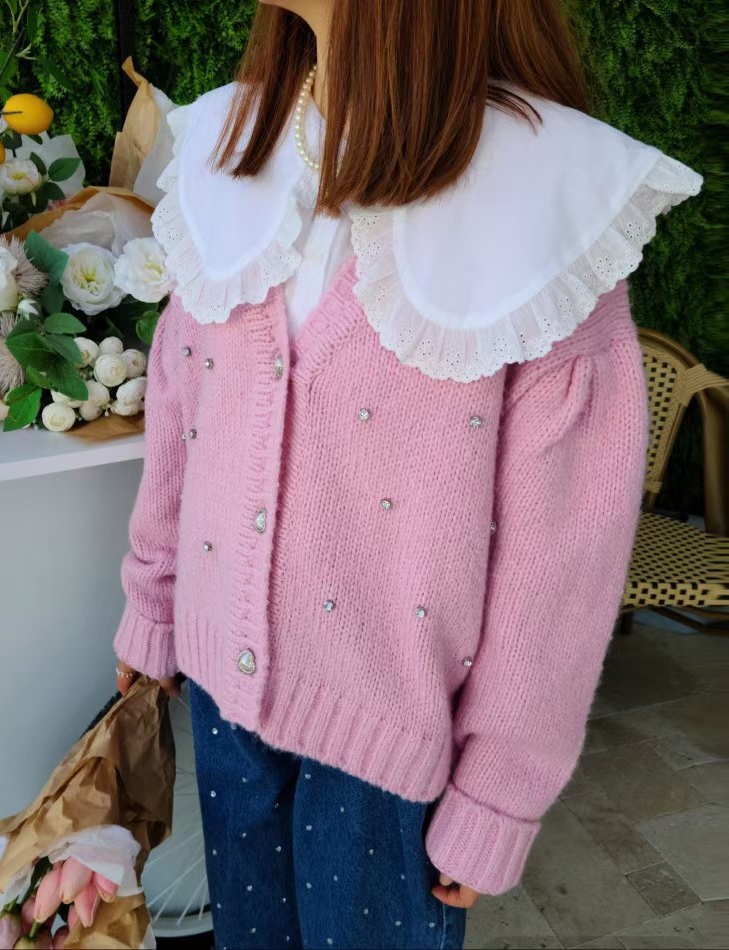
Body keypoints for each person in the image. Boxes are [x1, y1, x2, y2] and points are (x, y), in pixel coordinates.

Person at [113, 1, 703, 947]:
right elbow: (186, 404)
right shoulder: (226, 140)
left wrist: (501, 788)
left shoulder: (545, 190)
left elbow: (562, 553)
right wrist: (154, 599)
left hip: (391, 746)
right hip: (223, 697)